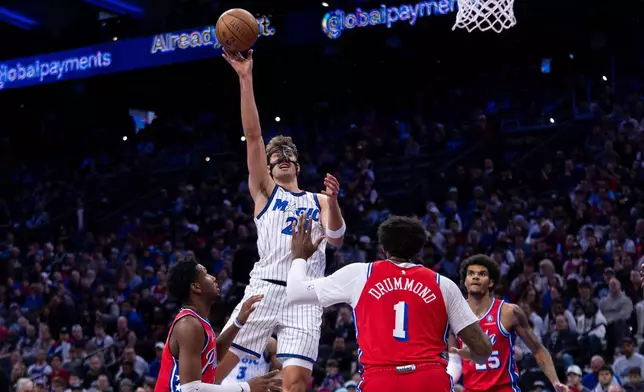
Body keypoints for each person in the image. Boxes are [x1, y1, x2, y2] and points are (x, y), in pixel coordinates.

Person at [221, 49, 346, 392]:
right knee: (213, 370)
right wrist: (245, 79)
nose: (284, 160)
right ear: (270, 169)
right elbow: (254, 135)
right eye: (277, 159)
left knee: (296, 384)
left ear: (299, 166)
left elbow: (335, 238)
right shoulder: (265, 192)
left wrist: (333, 201)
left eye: (290, 157)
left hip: (304, 296)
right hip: (264, 289)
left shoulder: (320, 200)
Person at [285, 214, 493, 391]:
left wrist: (299, 258)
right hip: (429, 378)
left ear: (383, 248)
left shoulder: (360, 274)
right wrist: (472, 357)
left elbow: (296, 292)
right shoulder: (443, 284)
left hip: (381, 379)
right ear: (418, 250)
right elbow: (483, 348)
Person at [154, 257, 281, 392]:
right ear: (195, 286)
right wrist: (247, 387)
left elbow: (216, 355)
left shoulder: (199, 320)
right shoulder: (188, 325)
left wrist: (238, 322)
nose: (213, 278)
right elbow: (190, 389)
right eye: (206, 274)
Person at [447, 254, 568, 392]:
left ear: (491, 282)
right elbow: (455, 363)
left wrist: (555, 381)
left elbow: (538, 349)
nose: (475, 277)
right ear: (465, 281)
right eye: (471, 274)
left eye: (482, 274)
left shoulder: (509, 312)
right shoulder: (454, 316)